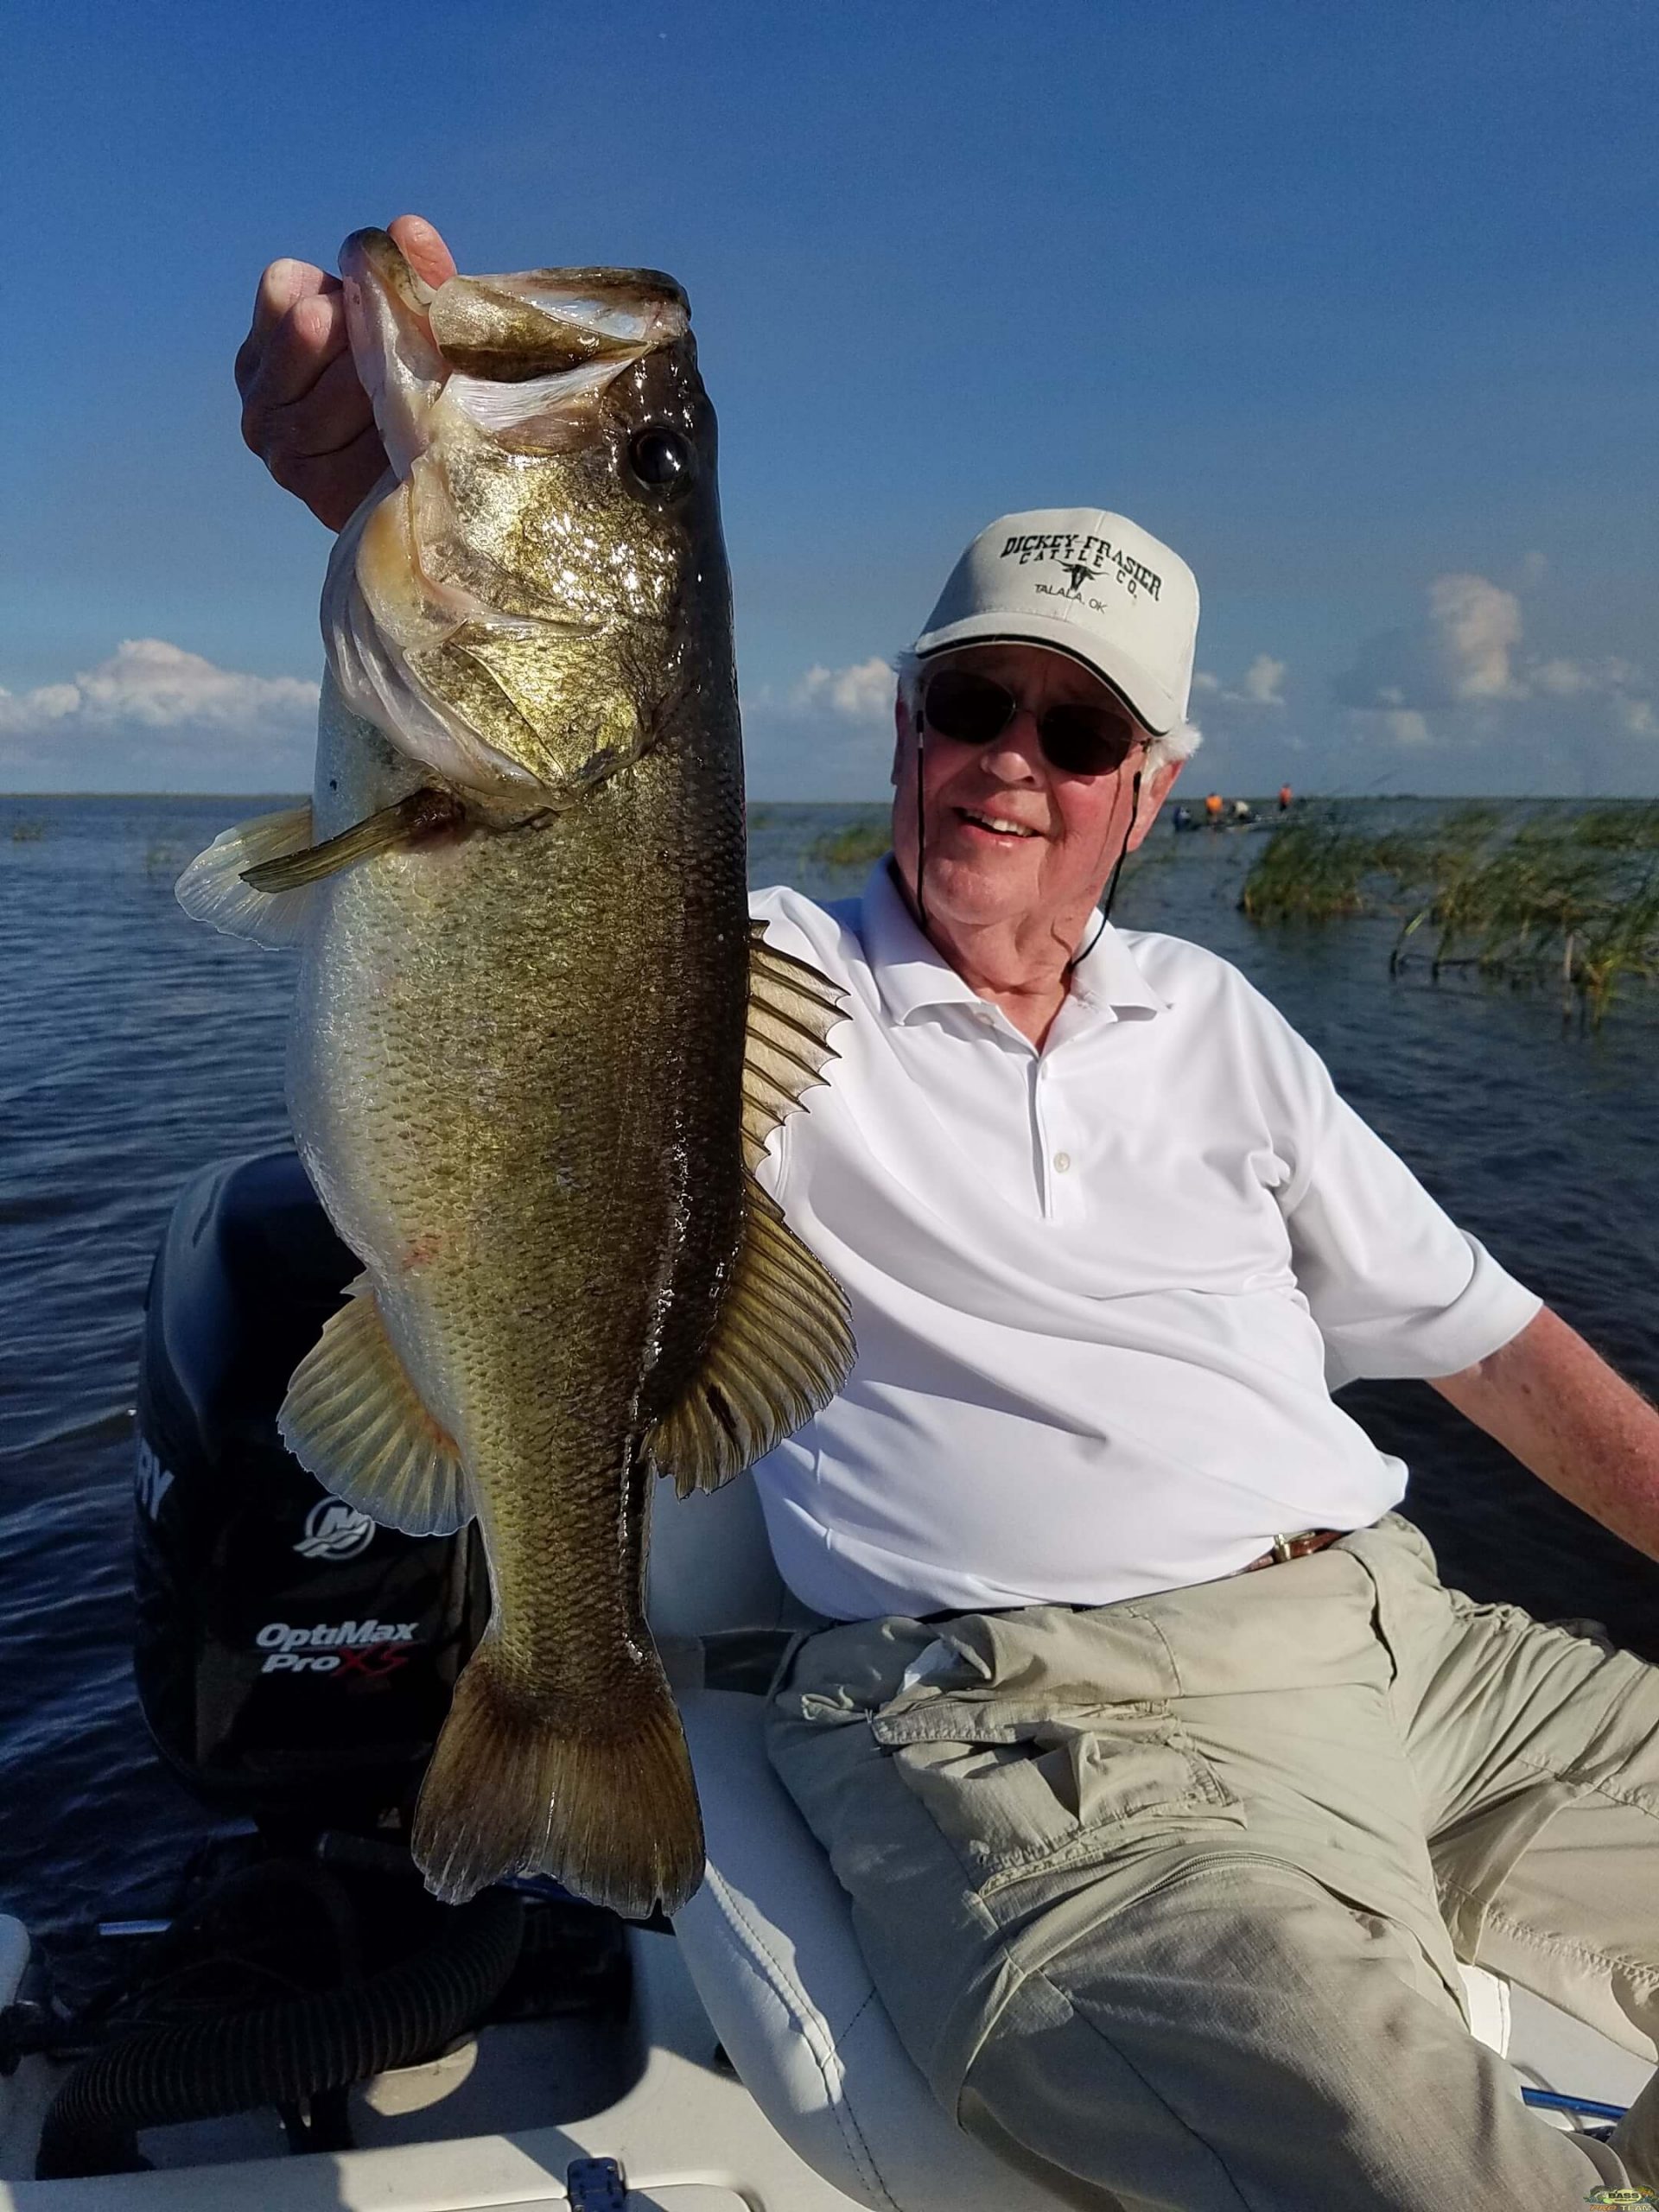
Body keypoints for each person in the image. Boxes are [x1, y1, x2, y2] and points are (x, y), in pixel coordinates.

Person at [237, 216, 1659, 2210]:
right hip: (1051, 1746)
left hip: (1412, 1646)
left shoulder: (1221, 1021)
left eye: (1075, 733)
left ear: (1147, 791)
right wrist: (371, 495)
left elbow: (1494, 1343)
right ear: (905, 718)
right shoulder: (734, 967)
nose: (1011, 763)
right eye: (972, 702)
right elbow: (523, 933)